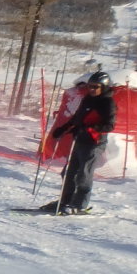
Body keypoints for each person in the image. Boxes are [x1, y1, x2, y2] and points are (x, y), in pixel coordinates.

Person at [40, 71, 117, 214]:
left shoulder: (107, 103)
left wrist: (91, 128)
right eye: (90, 86)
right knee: (68, 172)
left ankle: (80, 204)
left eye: (96, 87)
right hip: (80, 140)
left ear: (104, 87)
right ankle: (65, 201)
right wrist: (63, 128)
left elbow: (110, 125)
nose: (92, 89)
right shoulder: (87, 99)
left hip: (94, 143)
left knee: (84, 174)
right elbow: (77, 118)